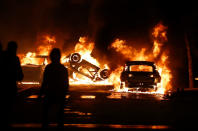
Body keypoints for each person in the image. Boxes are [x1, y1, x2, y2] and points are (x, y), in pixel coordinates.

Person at [38, 48, 69, 128]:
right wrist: (65, 94)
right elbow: (66, 84)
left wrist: (40, 94)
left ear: (51, 57)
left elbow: (45, 82)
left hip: (50, 94)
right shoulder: (63, 69)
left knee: (46, 113)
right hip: (59, 94)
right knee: (60, 114)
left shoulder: (49, 68)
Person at [3, 41, 24, 127]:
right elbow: (20, 75)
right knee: (9, 109)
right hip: (10, 87)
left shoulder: (2, 57)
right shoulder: (15, 59)